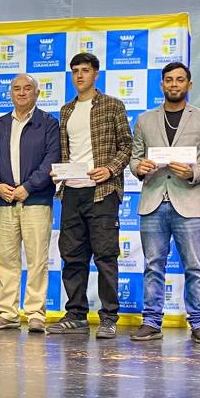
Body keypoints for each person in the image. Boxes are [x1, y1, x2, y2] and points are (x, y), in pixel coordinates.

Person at [130, 61, 200, 345]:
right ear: (161, 85)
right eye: (169, 80)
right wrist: (139, 168)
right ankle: (151, 321)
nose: (174, 84)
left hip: (189, 201)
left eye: (180, 80)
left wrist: (193, 172)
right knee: (153, 265)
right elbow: (134, 158)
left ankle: (199, 323)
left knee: (194, 266)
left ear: (189, 84)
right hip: (153, 200)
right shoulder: (144, 120)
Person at [47, 52, 133, 339]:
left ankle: (108, 317)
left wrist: (110, 169)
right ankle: (76, 314)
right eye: (75, 71)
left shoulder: (112, 105)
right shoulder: (66, 110)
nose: (80, 76)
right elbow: (65, 151)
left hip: (102, 192)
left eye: (85, 70)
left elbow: (127, 145)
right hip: (71, 191)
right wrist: (58, 172)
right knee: (72, 256)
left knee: (106, 256)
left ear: (96, 74)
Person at [0, 74, 60, 334]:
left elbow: (52, 159)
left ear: (37, 93)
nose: (21, 93)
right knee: (5, 260)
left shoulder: (49, 123)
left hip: (36, 201)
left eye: (27, 88)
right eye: (16, 89)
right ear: (10, 94)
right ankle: (7, 313)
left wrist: (27, 187)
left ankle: (36, 314)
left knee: (37, 259)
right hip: (4, 200)